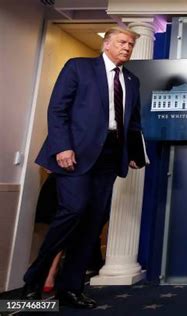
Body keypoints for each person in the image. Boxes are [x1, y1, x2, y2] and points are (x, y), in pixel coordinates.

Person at [22, 26, 143, 309]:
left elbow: (133, 122)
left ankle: (70, 288)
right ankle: (34, 280)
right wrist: (62, 146)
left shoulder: (132, 80)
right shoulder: (79, 67)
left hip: (111, 158)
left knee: (93, 221)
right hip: (75, 154)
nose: (127, 48)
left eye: (130, 44)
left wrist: (133, 154)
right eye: (122, 42)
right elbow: (58, 109)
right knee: (73, 210)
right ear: (107, 44)